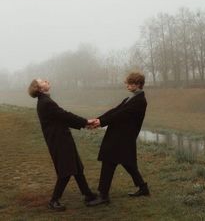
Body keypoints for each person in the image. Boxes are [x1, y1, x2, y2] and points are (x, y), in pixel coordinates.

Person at [28, 79, 97, 211]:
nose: (46, 81)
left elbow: (61, 118)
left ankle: (88, 194)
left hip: (62, 138)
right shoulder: (46, 102)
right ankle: (54, 200)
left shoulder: (45, 101)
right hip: (59, 140)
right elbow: (65, 115)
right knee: (66, 171)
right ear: (39, 88)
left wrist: (84, 124)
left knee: (77, 167)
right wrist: (86, 122)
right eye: (42, 81)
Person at [87, 72, 150, 206]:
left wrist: (101, 122)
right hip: (120, 137)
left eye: (130, 83)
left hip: (123, 138)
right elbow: (115, 110)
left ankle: (103, 195)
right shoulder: (130, 98)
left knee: (108, 162)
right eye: (127, 83)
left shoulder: (140, 101)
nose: (127, 85)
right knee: (129, 163)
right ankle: (143, 188)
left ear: (138, 84)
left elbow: (120, 115)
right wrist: (98, 120)